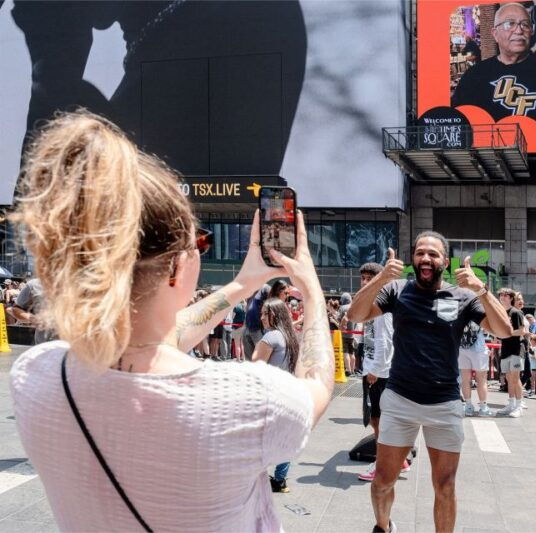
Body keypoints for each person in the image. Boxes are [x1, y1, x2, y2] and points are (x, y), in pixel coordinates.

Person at [8, 111, 334, 532]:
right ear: (178, 267)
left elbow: (157, 339)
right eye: (201, 240)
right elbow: (319, 381)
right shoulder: (250, 399)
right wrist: (310, 289)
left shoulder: (37, 376)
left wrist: (241, 285)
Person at [347, 232, 512, 533]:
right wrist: (382, 277)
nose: (426, 258)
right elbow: (355, 313)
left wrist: (480, 289)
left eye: (433, 254)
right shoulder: (396, 290)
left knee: (445, 485)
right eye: (420, 253)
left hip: (444, 404)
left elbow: (504, 329)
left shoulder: (462, 297)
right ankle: (383, 527)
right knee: (383, 482)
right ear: (413, 259)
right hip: (400, 400)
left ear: (445, 262)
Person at [451, 2, 536, 123]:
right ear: (495, 34)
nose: (519, 30)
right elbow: (458, 123)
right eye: (510, 24)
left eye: (525, 24)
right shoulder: (475, 76)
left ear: (531, 32)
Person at [354, 262, 409, 483]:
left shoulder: (382, 303)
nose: (365, 282)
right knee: (380, 419)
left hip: (381, 372)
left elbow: (386, 341)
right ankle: (400, 461)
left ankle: (382, 466)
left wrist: (375, 370)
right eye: (363, 278)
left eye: (370, 278)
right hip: (376, 368)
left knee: (379, 420)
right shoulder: (374, 302)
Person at [253, 298, 301, 493]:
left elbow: (255, 366)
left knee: (260, 438)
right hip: (288, 394)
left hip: (270, 395)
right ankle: (280, 480)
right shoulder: (290, 336)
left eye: (265, 313)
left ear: (274, 315)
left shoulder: (271, 337)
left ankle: (257, 478)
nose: (262, 317)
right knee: (283, 439)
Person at [497, 288, 527, 417]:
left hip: (516, 349)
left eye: (505, 295)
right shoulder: (501, 312)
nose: (502, 297)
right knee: (509, 378)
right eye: (500, 295)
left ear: (510, 298)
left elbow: (522, 331)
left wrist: (508, 333)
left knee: (515, 378)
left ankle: (519, 405)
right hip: (505, 349)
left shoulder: (515, 313)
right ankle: (511, 404)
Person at [459, 320, 493, 417]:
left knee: (465, 379)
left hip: (462, 347)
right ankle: (483, 408)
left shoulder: (461, 307)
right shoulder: (479, 308)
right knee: (481, 380)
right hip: (478, 348)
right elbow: (488, 329)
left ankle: (468, 406)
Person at [9, 278, 55, 344]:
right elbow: (16, 308)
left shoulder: (73, 283)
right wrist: (33, 318)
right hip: (43, 343)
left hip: (70, 344)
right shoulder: (33, 285)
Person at [243, 284, 270, 361]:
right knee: (248, 357)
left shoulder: (265, 288)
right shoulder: (250, 290)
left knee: (260, 357)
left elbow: (272, 302)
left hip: (258, 328)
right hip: (247, 328)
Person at [339, 292, 360, 376]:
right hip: (352, 334)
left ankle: (348, 370)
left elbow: (339, 319)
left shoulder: (342, 308)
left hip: (344, 334)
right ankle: (353, 369)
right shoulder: (353, 307)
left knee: (345, 352)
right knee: (352, 353)